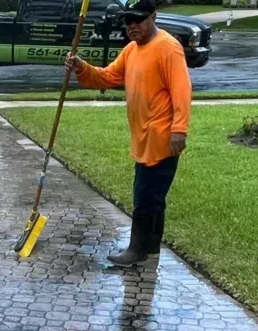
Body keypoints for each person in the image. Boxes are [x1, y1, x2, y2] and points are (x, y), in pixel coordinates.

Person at [65, 0, 192, 266]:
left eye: (138, 20)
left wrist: (178, 130)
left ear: (153, 17)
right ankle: (151, 246)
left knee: (146, 195)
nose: (132, 26)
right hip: (143, 135)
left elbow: (182, 91)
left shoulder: (168, 48)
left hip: (161, 136)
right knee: (153, 195)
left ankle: (137, 250)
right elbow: (108, 77)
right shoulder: (132, 50)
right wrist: (81, 67)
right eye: (127, 22)